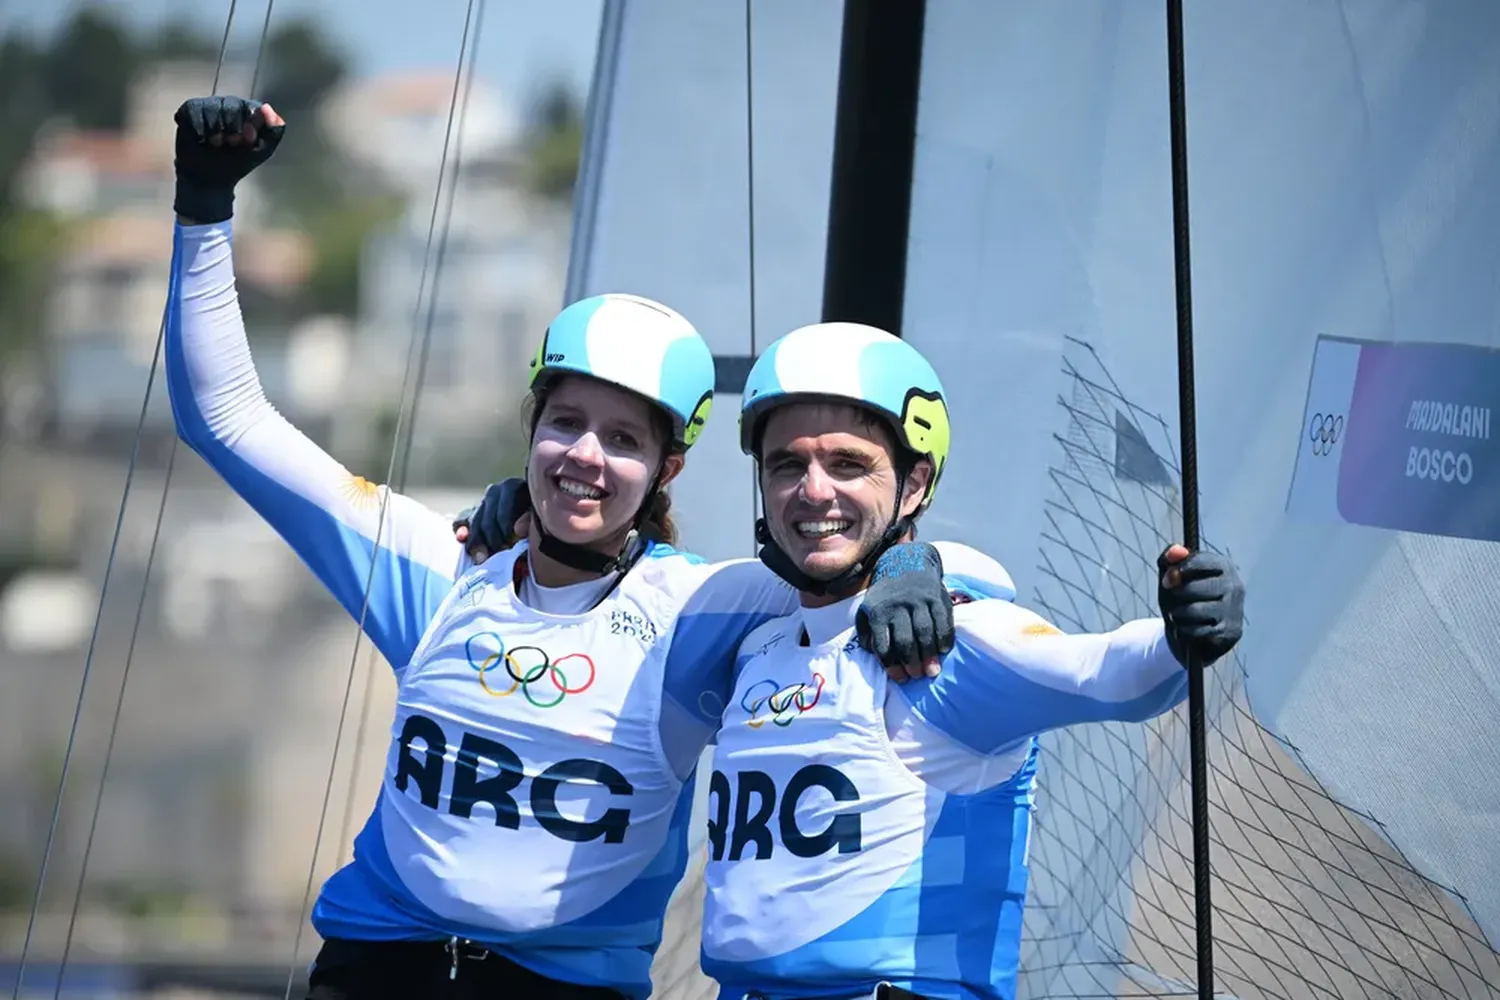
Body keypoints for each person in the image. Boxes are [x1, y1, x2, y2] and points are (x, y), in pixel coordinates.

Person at [162, 95, 1003, 1000]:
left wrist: (930, 563)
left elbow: (852, 559)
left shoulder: (705, 610)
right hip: (374, 971)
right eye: (565, 424)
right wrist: (204, 206)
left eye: (625, 440)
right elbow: (227, 421)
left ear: (669, 467)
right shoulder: (440, 565)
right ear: (531, 430)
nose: (586, 459)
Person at [690, 321, 1246, 1000]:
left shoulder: (953, 645)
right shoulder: (755, 641)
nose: (812, 490)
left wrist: (1180, 636)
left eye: (846, 464)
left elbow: (1104, 674)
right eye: (786, 464)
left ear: (916, 483)